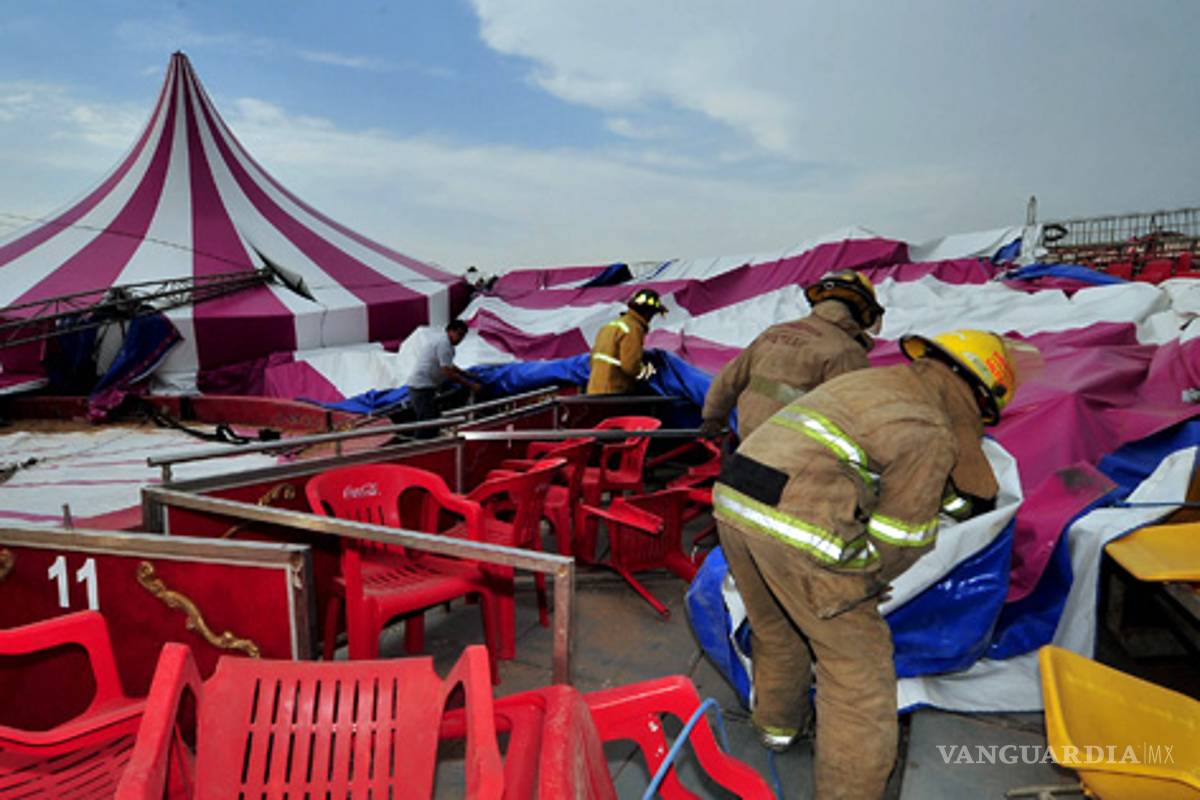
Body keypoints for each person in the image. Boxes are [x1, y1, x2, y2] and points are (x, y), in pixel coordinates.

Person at [713, 330, 1030, 800]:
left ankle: (776, 729)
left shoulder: (870, 383)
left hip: (734, 499)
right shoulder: (932, 429)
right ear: (978, 395)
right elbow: (902, 537)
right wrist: (863, 583)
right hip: (799, 525)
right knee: (857, 674)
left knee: (776, 628)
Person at [700, 269, 883, 440]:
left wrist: (713, 417)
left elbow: (730, 377)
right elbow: (855, 410)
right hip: (797, 448)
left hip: (751, 438)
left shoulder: (774, 332)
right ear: (862, 310)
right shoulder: (846, 350)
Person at [407, 320, 482, 438]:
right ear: (450, 331)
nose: (460, 339)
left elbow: (449, 365)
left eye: (463, 336)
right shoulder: (444, 345)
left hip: (426, 386)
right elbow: (447, 372)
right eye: (459, 334)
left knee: (431, 417)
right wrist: (471, 385)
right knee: (427, 420)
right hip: (421, 386)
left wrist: (466, 374)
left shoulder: (444, 344)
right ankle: (422, 446)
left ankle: (428, 443)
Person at [586, 288, 667, 395]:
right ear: (648, 312)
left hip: (594, 391)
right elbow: (630, 366)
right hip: (614, 392)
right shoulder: (633, 329)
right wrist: (649, 372)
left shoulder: (609, 327)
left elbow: (592, 360)